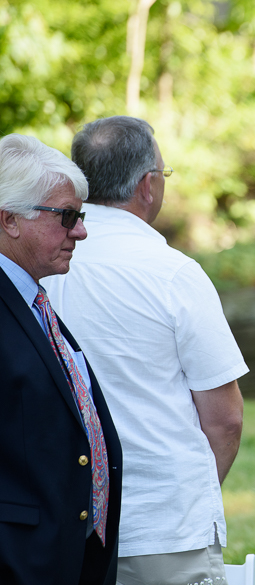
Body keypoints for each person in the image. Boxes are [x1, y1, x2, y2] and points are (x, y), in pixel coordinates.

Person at [42, 116, 248, 585]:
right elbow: (225, 418)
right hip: (166, 529)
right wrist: (187, 500)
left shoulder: (39, 269)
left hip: (65, 527)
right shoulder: (174, 273)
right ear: (148, 185)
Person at [0, 134, 123, 584]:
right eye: (66, 217)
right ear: (10, 220)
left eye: (81, 215)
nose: (81, 231)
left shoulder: (33, 298)